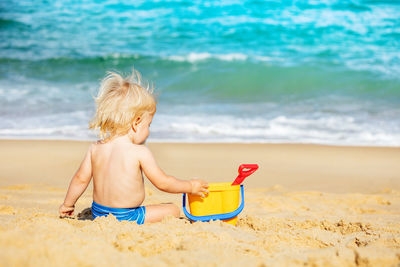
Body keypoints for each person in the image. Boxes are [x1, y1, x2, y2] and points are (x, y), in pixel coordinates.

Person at [59, 69, 209, 224]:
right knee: (172, 209)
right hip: (128, 216)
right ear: (137, 122)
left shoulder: (95, 148)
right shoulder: (139, 152)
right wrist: (190, 186)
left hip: (99, 213)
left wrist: (68, 204)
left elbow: (80, 179)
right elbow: (163, 182)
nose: (148, 131)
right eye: (148, 125)